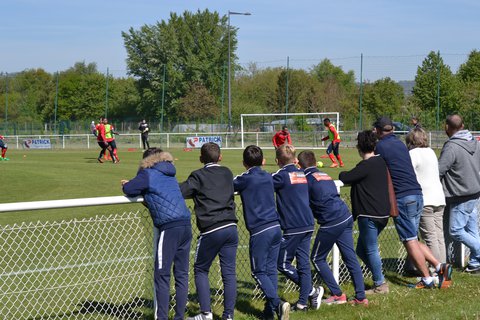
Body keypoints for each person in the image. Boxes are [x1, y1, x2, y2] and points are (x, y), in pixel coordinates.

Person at [374, 116, 452, 289]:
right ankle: (440, 266)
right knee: (416, 238)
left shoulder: (382, 146)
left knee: (411, 239)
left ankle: (428, 277)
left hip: (404, 197)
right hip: (419, 195)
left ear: (378, 131)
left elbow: (377, 168)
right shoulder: (402, 145)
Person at [122, 148, 192, 320]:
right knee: (181, 274)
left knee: (161, 275)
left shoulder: (148, 173)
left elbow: (130, 189)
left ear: (147, 161)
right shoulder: (170, 173)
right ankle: (179, 316)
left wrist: (125, 183)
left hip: (169, 228)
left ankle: (162, 317)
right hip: (185, 224)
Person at [298, 150, 367, 305]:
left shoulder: (306, 179)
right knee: (350, 257)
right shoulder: (324, 174)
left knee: (317, 258)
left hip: (332, 221)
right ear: (315, 162)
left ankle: (337, 294)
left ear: (299, 164)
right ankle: (361, 297)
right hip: (345, 215)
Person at [180, 142, 238, 320]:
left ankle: (206, 314)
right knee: (229, 272)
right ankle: (228, 315)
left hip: (212, 228)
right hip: (231, 227)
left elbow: (181, 190)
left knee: (200, 269)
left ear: (200, 159)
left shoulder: (198, 175)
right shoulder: (227, 172)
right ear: (220, 157)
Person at [233, 145, 290, 320]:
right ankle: (269, 312)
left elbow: (230, 184)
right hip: (275, 227)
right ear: (263, 161)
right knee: (271, 269)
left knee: (258, 271)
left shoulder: (244, 179)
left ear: (244, 163)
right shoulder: (268, 176)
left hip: (260, 230)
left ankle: (277, 303)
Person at [338, 130, 390, 294]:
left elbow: (346, 177)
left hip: (370, 214)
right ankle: (379, 276)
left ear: (359, 147)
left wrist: (341, 174)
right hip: (382, 213)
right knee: (361, 249)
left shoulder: (366, 165)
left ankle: (380, 284)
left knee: (370, 249)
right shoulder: (381, 161)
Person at [272, 144, 320, 312]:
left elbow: (265, 183)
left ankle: (312, 291)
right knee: (303, 265)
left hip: (293, 226)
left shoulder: (281, 175)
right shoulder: (301, 173)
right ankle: (303, 303)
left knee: (282, 263)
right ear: (294, 159)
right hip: (307, 223)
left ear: (277, 160)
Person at [438, 114, 480, 274]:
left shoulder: (451, 147)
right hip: (474, 192)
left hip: (460, 195)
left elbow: (439, 170)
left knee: (455, 230)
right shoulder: (474, 142)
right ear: (462, 126)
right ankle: (476, 264)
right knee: (471, 230)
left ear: (447, 127)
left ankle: (479, 254)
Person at [406, 128, 446, 263]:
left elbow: (409, 174)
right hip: (439, 198)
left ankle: (437, 269)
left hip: (426, 199)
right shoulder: (431, 152)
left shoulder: (412, 154)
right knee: (439, 235)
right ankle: (444, 266)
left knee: (430, 237)